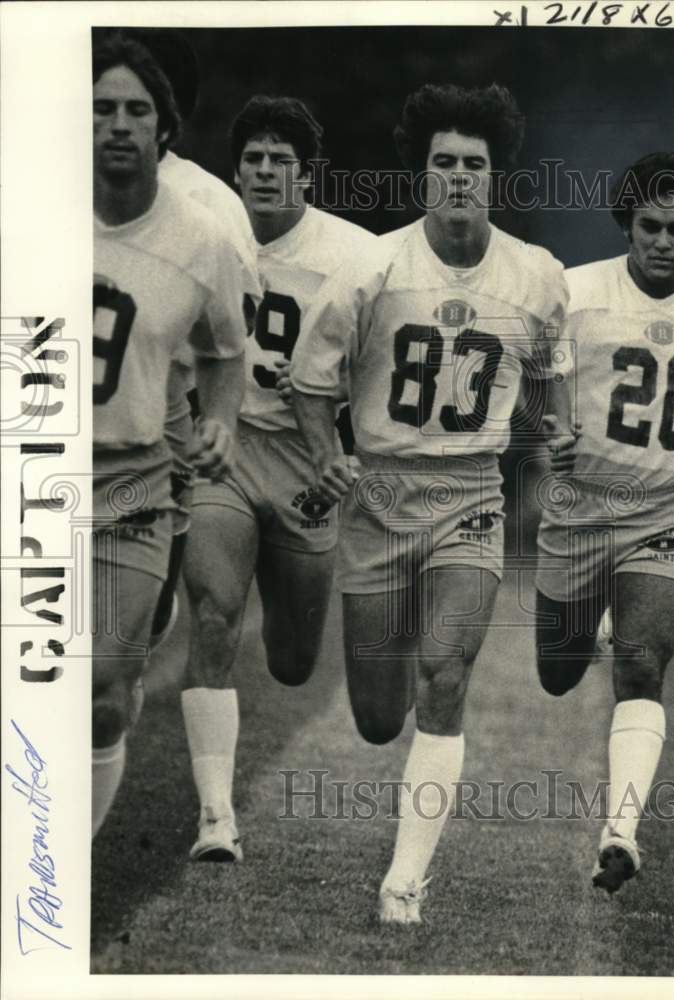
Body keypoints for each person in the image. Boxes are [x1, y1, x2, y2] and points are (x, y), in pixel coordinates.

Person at [291, 83, 570, 923]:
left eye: (472, 166)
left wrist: (558, 434)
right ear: (422, 173)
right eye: (443, 163)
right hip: (378, 493)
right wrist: (328, 454)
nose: (457, 178)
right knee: (379, 717)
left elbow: (551, 377)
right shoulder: (368, 268)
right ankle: (401, 724)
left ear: (494, 177)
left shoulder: (536, 276)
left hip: (468, 495)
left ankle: (403, 879)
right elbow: (310, 385)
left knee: (444, 674)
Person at [534, 152, 674, 893]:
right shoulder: (577, 292)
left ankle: (619, 831)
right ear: (626, 226)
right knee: (558, 672)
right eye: (649, 227)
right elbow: (541, 373)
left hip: (663, 511)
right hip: (580, 510)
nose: (662, 242)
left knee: (641, 667)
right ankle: (590, 630)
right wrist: (552, 428)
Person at [180, 95, 376, 862]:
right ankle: (215, 817)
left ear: (307, 176)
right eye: (254, 159)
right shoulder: (204, 238)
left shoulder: (353, 257)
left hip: (305, 467)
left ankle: (282, 619)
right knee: (213, 612)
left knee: (292, 662)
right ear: (236, 171)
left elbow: (380, 371)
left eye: (280, 161)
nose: (265, 172)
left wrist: (347, 452)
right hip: (225, 451)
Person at [91, 36, 252, 837]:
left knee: (100, 690)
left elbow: (228, 349)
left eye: (135, 110)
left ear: (165, 127)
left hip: (135, 471)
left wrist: (219, 419)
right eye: (100, 109)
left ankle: (52, 877)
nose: (117, 126)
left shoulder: (205, 233)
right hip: (29, 466)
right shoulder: (24, 210)